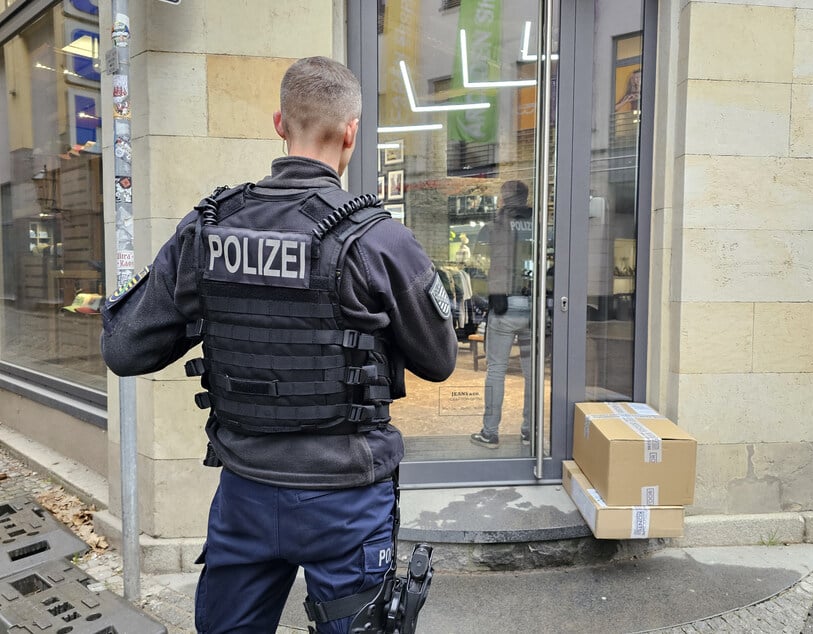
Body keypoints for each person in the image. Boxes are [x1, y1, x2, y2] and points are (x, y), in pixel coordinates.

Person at [100, 56, 457, 634]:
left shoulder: (206, 230)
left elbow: (125, 349)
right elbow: (440, 361)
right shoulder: (381, 240)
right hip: (346, 499)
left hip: (245, 491)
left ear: (278, 124)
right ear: (351, 132)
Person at [470, 180, 534, 449]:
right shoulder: (538, 225)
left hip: (502, 305)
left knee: (496, 370)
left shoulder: (493, 227)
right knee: (532, 374)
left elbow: (476, 263)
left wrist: (485, 296)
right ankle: (530, 431)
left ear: (504, 199)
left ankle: (490, 432)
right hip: (533, 304)